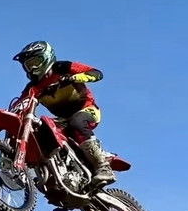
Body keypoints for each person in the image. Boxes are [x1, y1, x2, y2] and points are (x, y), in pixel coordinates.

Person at [11, 40, 116, 194]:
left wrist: (74, 78)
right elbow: (21, 103)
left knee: (77, 122)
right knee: (41, 129)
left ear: (47, 57)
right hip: (62, 120)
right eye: (29, 64)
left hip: (87, 109)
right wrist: (11, 114)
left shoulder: (62, 68)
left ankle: (103, 167)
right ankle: (57, 174)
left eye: (36, 61)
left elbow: (96, 73)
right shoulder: (32, 87)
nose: (33, 67)